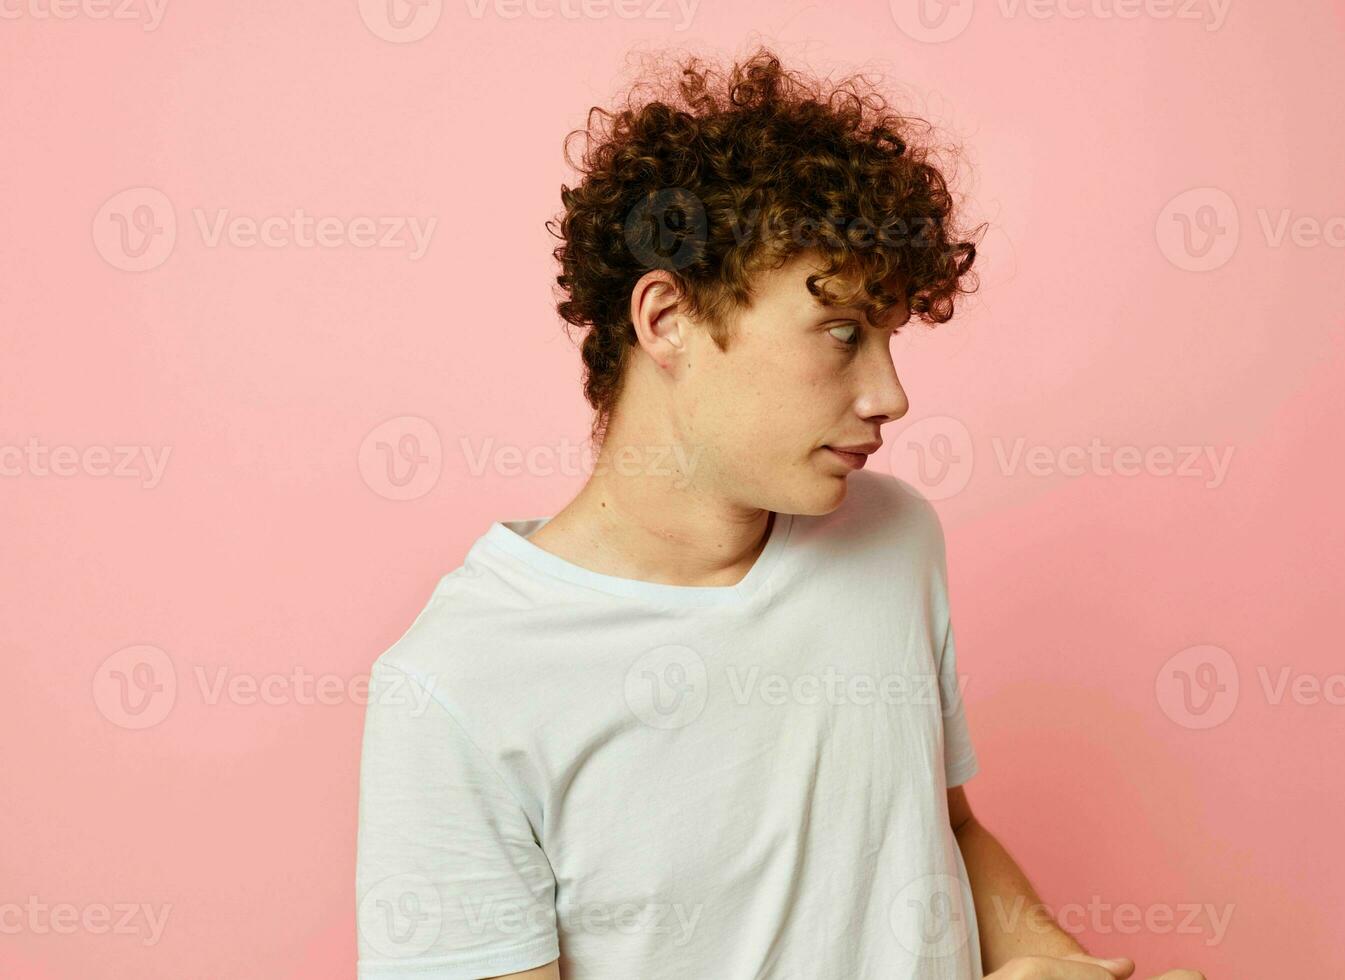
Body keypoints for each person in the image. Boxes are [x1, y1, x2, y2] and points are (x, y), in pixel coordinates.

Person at [355, 47, 1205, 980]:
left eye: (889, 337)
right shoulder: (455, 689)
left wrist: (1055, 961)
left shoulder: (895, 539)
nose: (891, 395)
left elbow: (942, 827)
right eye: (843, 334)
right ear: (668, 318)